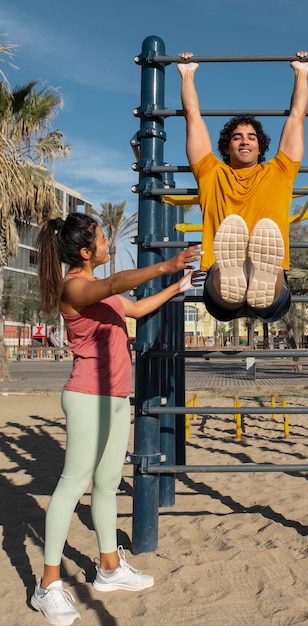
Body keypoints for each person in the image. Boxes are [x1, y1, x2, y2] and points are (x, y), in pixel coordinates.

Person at [31, 212, 202, 625]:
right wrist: (165, 265)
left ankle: (109, 568)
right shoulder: (76, 286)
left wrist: (177, 287)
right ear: (86, 252)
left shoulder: (100, 294)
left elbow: (137, 306)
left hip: (114, 397)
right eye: (104, 241)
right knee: (73, 484)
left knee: (107, 484)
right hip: (87, 396)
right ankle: (47, 585)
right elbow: (110, 284)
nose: (109, 246)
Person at [177, 50, 308, 323]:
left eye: (251, 137)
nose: (244, 141)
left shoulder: (280, 171)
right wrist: (187, 75)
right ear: (226, 147)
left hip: (246, 289)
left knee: (261, 277)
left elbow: (297, 117)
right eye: (237, 137)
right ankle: (241, 274)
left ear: (260, 147)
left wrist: (301, 74)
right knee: (231, 278)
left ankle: (253, 275)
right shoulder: (210, 172)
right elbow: (193, 117)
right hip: (225, 281)